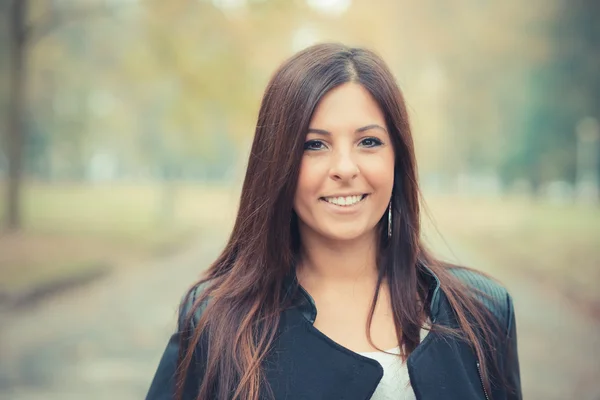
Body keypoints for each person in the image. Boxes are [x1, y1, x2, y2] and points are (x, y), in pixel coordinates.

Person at [146, 43, 521, 400]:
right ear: (277, 164)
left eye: (369, 142)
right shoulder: (217, 322)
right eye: (315, 144)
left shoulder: (482, 313)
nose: (345, 168)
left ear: (398, 159)